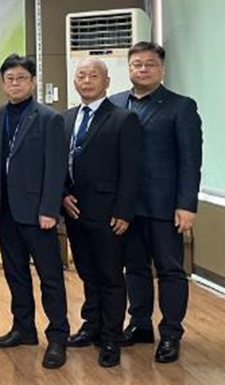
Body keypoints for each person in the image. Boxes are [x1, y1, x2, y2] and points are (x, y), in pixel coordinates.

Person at [110, 42, 202, 364]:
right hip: (126, 208)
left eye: (150, 64)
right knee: (134, 268)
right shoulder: (115, 103)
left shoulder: (180, 106)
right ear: (129, 68)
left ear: (161, 69)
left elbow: (190, 161)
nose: (143, 69)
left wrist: (187, 205)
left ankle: (171, 333)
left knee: (170, 271)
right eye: (137, 64)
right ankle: (140, 324)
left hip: (165, 207)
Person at [0, 53, 69, 369]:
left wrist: (49, 209)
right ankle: (23, 328)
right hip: (6, 211)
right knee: (15, 273)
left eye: (21, 78)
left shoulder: (49, 118)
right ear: (2, 83)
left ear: (32, 82)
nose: (15, 83)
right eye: (10, 78)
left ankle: (58, 336)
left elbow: (56, 169)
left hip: (38, 214)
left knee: (50, 277)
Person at [62, 58, 141, 368]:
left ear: (107, 82)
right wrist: (62, 195)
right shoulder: (67, 118)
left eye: (93, 75)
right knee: (87, 273)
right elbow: (59, 164)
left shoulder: (123, 118)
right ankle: (91, 325)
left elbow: (131, 169)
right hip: (74, 211)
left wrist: (124, 210)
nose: (86, 81)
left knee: (109, 276)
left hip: (109, 213)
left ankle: (110, 337)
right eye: (81, 75)